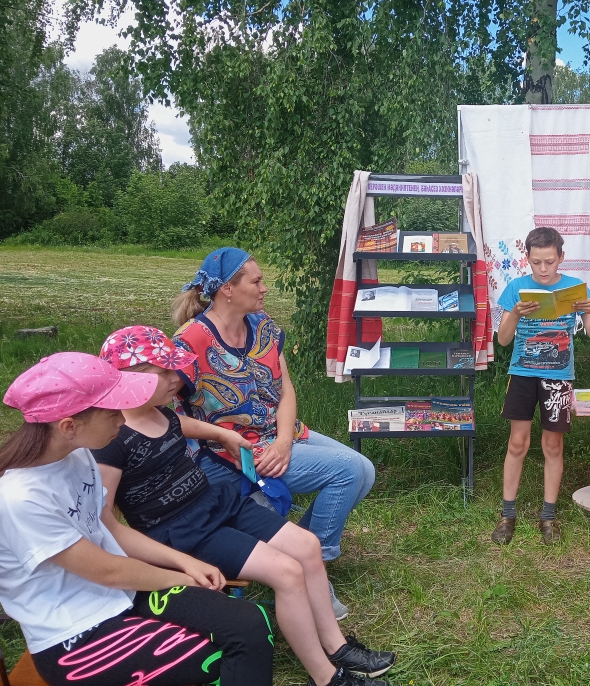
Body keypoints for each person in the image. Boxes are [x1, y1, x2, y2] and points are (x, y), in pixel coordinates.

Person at [93, 326, 395, 686]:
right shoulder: (110, 438)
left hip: (213, 503)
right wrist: (176, 560)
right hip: (183, 532)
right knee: (287, 572)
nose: (177, 378)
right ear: (131, 379)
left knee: (307, 546)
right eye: (165, 372)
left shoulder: (156, 410)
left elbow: (179, 425)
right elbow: (105, 521)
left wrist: (222, 433)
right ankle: (326, 677)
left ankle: (337, 646)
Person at [0, 352, 274, 686]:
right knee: (216, 656)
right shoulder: (21, 498)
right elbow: (107, 570)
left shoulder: (78, 456)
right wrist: (179, 578)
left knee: (250, 623)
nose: (122, 419)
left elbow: (108, 528)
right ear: (69, 426)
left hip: (123, 595)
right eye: (113, 412)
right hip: (75, 633)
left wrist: (184, 562)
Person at [172, 247, 374, 619]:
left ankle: (305, 555)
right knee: (348, 471)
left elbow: (286, 390)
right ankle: (311, 566)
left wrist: (283, 442)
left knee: (365, 471)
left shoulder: (262, 324)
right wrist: (222, 437)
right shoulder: (190, 341)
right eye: (256, 281)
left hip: (278, 435)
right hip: (231, 454)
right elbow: (165, 417)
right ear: (227, 289)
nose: (264, 288)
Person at [492, 227, 590, 545]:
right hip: (522, 374)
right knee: (517, 443)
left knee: (553, 446)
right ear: (527, 258)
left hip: (558, 377)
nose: (543, 269)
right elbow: (503, 340)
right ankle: (507, 515)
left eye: (550, 262)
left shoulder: (575, 289)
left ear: (561, 257)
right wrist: (515, 313)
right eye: (536, 262)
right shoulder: (517, 288)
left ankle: (548, 516)